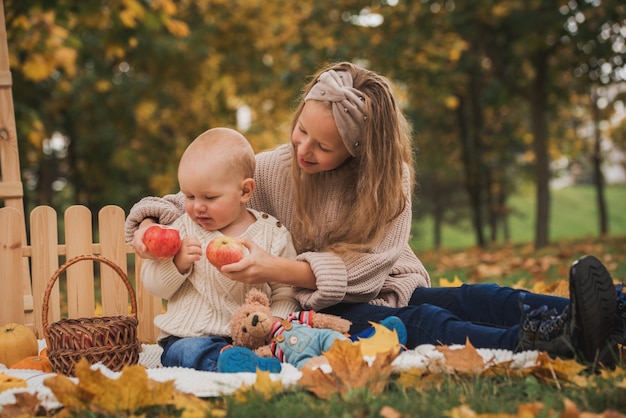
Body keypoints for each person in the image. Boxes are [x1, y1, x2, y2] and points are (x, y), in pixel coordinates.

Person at [127, 62, 621, 369]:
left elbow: (366, 273)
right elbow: (193, 200)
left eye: (323, 146)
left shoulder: (388, 182)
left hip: (376, 284)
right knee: (425, 321)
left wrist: (273, 268)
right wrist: (150, 229)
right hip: (318, 306)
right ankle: (544, 342)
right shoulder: (273, 167)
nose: (303, 150)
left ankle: (611, 310)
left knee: (479, 295)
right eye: (301, 131)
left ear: (360, 152)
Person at [141, 127, 299, 372]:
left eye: (210, 198)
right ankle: (231, 361)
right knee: (185, 351)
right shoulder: (181, 229)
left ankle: (246, 361)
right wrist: (178, 264)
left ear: (245, 191)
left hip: (252, 336)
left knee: (289, 343)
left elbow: (286, 291)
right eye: (190, 196)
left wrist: (275, 322)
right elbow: (153, 285)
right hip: (190, 335)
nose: (197, 207)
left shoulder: (273, 234)